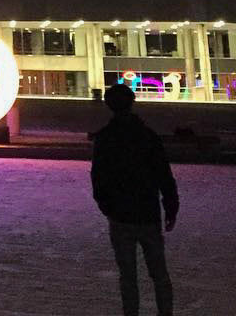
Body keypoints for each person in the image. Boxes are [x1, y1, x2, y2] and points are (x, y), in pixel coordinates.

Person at [91, 83, 179, 316]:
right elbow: (163, 173)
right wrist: (171, 207)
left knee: (128, 275)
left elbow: (98, 178)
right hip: (147, 213)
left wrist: (107, 206)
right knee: (159, 273)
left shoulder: (106, 138)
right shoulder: (147, 136)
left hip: (120, 216)